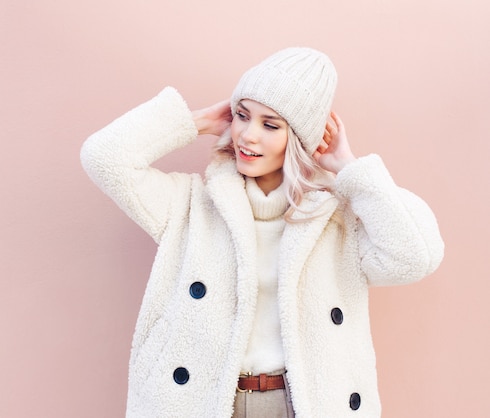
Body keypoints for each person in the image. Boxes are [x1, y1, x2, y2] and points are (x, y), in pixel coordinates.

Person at [80, 47, 444, 418]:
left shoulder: (337, 219)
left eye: (270, 125)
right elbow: (104, 158)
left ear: (300, 139)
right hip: (203, 402)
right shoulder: (191, 205)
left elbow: (417, 256)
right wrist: (198, 121)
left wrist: (348, 168)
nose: (248, 136)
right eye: (242, 116)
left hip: (301, 404)